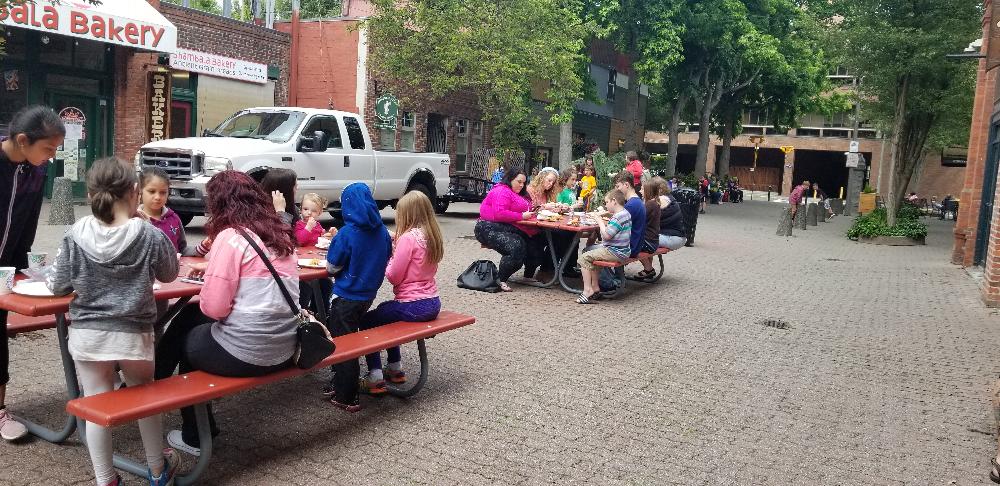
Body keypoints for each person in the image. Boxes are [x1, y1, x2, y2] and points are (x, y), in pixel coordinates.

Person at [47, 158, 181, 486]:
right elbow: (170, 274)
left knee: (96, 401)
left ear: (92, 194)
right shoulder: (148, 234)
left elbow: (57, 284)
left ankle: (106, 479)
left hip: (88, 336)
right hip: (134, 335)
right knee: (145, 397)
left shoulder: (75, 233)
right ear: (135, 192)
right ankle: (157, 471)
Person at [155, 170, 299, 456]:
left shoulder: (231, 237)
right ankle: (157, 380)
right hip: (285, 350)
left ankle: (195, 435)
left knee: (189, 338)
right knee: (189, 320)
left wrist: (213, 280)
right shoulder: (279, 233)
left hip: (251, 354)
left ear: (220, 204)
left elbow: (215, 308)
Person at [0, 105, 64, 441]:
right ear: (23, 140)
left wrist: (25, 269)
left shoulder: (35, 173)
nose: (52, 156)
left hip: (4, 270)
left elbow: (26, 225)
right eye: (48, 149)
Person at [357, 191, 443, 394]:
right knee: (385, 312)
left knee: (368, 321)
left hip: (412, 305)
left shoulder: (407, 238)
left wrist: (388, 260)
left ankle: (375, 376)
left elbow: (394, 276)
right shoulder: (432, 235)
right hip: (432, 302)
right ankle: (395, 369)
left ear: (407, 214)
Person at [322, 183, 392, 411]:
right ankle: (339, 382)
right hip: (367, 295)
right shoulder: (382, 231)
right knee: (350, 339)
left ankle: (346, 395)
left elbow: (332, 267)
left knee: (344, 346)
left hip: (345, 296)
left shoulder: (347, 233)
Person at [474, 168, 540, 291]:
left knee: (537, 240)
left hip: (510, 227)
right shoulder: (502, 191)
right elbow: (500, 213)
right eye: (519, 181)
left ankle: (528, 275)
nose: (521, 185)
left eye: (523, 183)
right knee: (516, 246)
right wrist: (521, 216)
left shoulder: (518, 193)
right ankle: (501, 279)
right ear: (510, 179)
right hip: (488, 227)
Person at [138, 167, 209, 257]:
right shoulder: (134, 220)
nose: (157, 197)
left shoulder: (173, 219)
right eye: (152, 191)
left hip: (172, 270)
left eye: (163, 192)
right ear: (140, 191)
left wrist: (201, 248)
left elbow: (182, 250)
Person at [577, 189, 631, 304]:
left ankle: (587, 290)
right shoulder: (625, 213)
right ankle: (595, 287)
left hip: (615, 251)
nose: (605, 205)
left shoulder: (617, 218)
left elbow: (606, 236)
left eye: (606, 202)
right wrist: (607, 214)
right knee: (593, 256)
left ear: (614, 201)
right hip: (623, 250)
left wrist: (600, 221)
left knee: (583, 258)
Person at [635, 179, 663, 280]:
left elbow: (638, 219)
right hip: (653, 240)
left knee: (631, 246)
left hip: (648, 241)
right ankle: (648, 269)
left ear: (648, 191)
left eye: (642, 189)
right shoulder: (654, 202)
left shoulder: (649, 205)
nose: (640, 191)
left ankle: (649, 269)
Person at [653, 177, 687, 250]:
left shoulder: (661, 199)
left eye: (651, 188)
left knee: (639, 239)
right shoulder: (669, 197)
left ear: (659, 189)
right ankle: (649, 262)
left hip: (672, 238)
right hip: (678, 237)